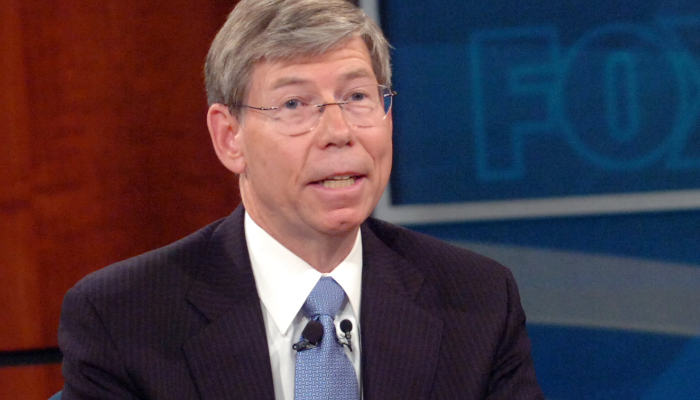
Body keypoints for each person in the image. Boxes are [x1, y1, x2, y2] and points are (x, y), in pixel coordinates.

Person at [57, 0, 544, 399]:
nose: (339, 132)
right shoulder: (125, 318)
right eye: (294, 104)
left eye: (357, 97)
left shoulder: (476, 300)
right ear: (229, 137)